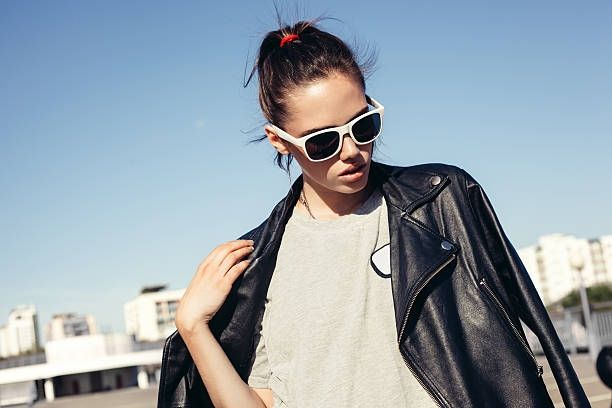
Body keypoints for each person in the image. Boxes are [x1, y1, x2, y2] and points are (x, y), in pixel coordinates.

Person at [156, 16, 590, 408]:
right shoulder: (262, 265)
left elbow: (512, 354)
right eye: (323, 141)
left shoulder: (441, 201)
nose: (352, 151)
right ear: (279, 141)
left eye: (363, 125)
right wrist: (193, 327)